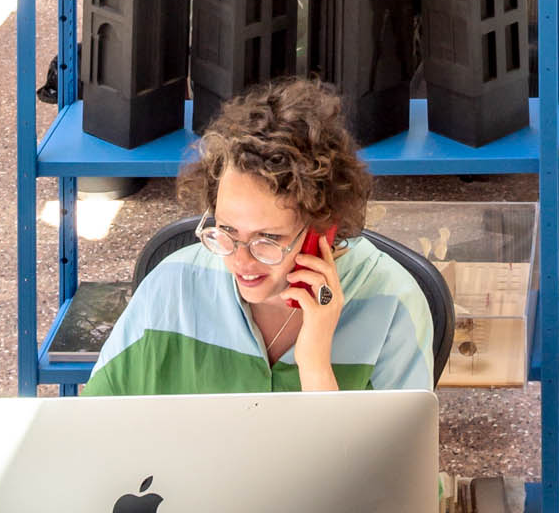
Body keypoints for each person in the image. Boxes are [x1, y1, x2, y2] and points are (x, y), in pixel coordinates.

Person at [84, 77, 437, 397]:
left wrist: (314, 363)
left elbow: (393, 467)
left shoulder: (393, 305)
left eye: (267, 238)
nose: (240, 260)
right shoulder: (168, 291)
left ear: (322, 229)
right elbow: (91, 429)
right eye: (227, 230)